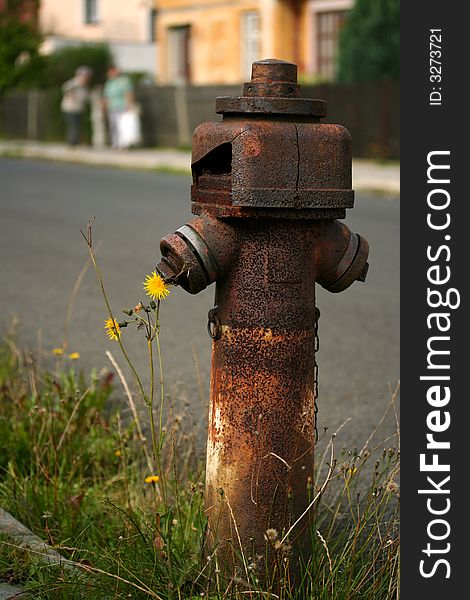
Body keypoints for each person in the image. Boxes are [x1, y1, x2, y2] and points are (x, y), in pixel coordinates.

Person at [102, 65, 134, 149]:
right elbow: (106, 95)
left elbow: (128, 93)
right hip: (112, 107)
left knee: (123, 126)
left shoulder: (124, 81)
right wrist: (104, 106)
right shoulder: (109, 82)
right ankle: (115, 144)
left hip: (122, 106)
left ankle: (124, 144)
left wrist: (129, 105)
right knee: (113, 126)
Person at [61, 66, 92, 147]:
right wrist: (72, 95)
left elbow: (86, 97)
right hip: (70, 108)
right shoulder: (73, 83)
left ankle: (76, 143)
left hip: (79, 109)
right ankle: (72, 144)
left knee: (78, 126)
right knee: (73, 126)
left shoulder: (85, 87)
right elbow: (65, 89)